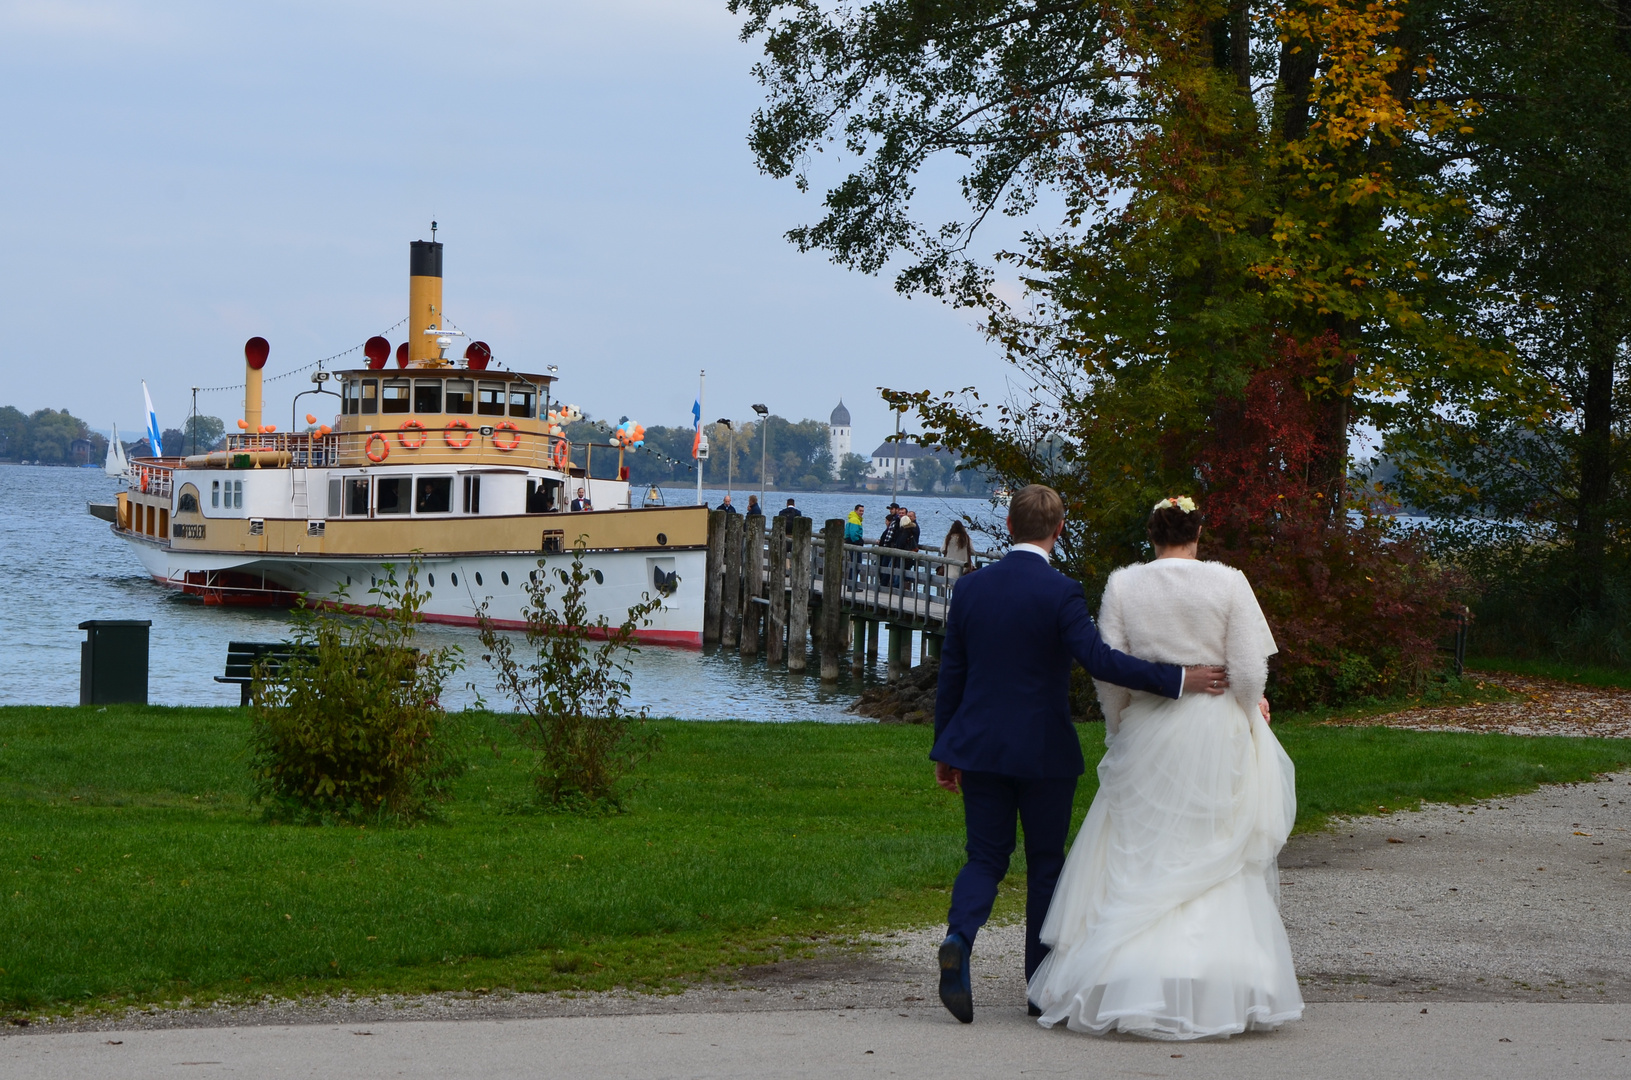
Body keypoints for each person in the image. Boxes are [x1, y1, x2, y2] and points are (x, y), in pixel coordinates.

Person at [929, 484, 1230, 1025]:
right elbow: (1100, 660)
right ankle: (1038, 988)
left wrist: (945, 748)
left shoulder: (971, 589)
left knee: (984, 858)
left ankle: (959, 937)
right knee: (1046, 864)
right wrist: (1180, 678)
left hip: (977, 746)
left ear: (1008, 524)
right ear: (1059, 530)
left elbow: (952, 674)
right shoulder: (1061, 591)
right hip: (1043, 751)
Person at [1028, 496, 1301, 1040]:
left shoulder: (1126, 585)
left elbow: (1110, 672)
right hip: (1215, 727)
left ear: (1152, 534)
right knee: (1212, 843)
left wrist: (1119, 724)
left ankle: (1128, 975)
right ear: (1199, 532)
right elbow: (1249, 670)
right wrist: (1251, 709)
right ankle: (1221, 977)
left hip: (1151, 725)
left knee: (1145, 849)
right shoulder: (1229, 583)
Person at [942, 520, 974, 585]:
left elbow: (942, 550)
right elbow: (972, 551)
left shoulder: (949, 537)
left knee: (949, 587)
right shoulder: (966, 538)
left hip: (950, 569)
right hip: (963, 568)